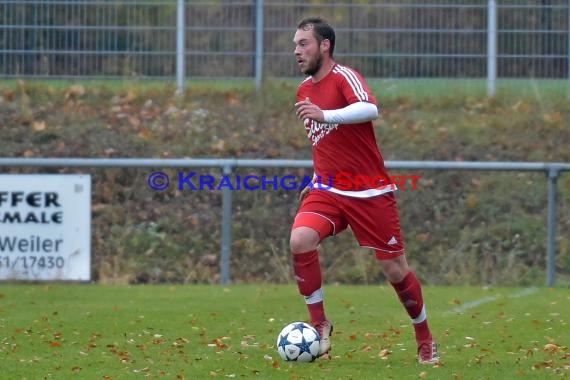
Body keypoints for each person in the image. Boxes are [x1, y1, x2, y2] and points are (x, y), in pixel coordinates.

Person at [290, 16, 440, 364]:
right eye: (295, 45)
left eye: (303, 44)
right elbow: (324, 144)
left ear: (324, 45)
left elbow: (370, 108)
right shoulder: (303, 91)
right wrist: (314, 179)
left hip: (369, 192)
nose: (296, 51)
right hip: (328, 190)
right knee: (300, 239)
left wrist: (326, 114)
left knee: (395, 269)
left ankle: (425, 337)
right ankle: (320, 326)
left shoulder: (345, 77)